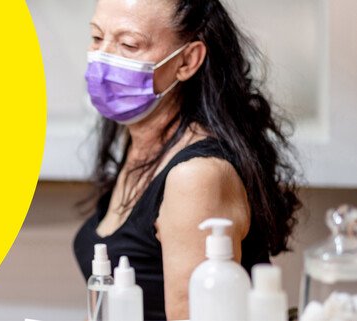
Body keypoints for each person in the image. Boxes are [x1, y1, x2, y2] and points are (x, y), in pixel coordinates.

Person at [73, 0, 301, 319]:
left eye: (128, 44)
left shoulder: (196, 176)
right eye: (97, 38)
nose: (103, 58)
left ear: (187, 61)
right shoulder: (141, 141)